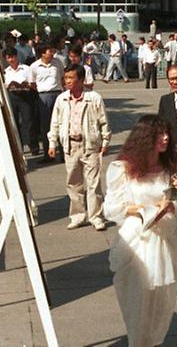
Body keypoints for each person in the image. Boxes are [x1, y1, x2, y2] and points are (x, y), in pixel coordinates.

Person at [103, 115, 177, 347]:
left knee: (161, 302)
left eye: (167, 133)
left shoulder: (173, 167)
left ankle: (154, 342)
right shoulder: (124, 168)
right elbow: (112, 207)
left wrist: (170, 203)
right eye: (159, 134)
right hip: (137, 240)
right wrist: (139, 210)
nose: (165, 138)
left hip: (164, 239)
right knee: (137, 302)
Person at [48, 64, 112, 231]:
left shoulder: (94, 98)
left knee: (93, 183)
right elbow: (55, 122)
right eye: (66, 78)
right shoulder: (62, 99)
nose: (67, 81)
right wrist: (52, 143)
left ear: (81, 80)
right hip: (70, 145)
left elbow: (103, 121)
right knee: (74, 182)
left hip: (90, 144)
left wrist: (105, 141)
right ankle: (78, 216)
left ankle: (96, 216)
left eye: (71, 78)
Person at [30, 43, 65, 162]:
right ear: (43, 53)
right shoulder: (34, 66)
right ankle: (48, 154)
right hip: (43, 96)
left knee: (61, 124)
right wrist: (42, 92)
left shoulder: (58, 63)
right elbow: (32, 83)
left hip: (58, 94)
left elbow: (62, 78)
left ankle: (64, 154)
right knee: (46, 126)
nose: (52, 53)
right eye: (49, 51)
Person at [3, 47, 37, 153]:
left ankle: (34, 146)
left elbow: (31, 83)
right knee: (15, 123)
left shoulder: (26, 69)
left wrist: (25, 86)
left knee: (29, 122)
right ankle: (19, 147)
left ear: (16, 56)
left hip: (25, 96)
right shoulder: (5, 71)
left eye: (12, 57)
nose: (11, 60)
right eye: (8, 58)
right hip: (13, 97)